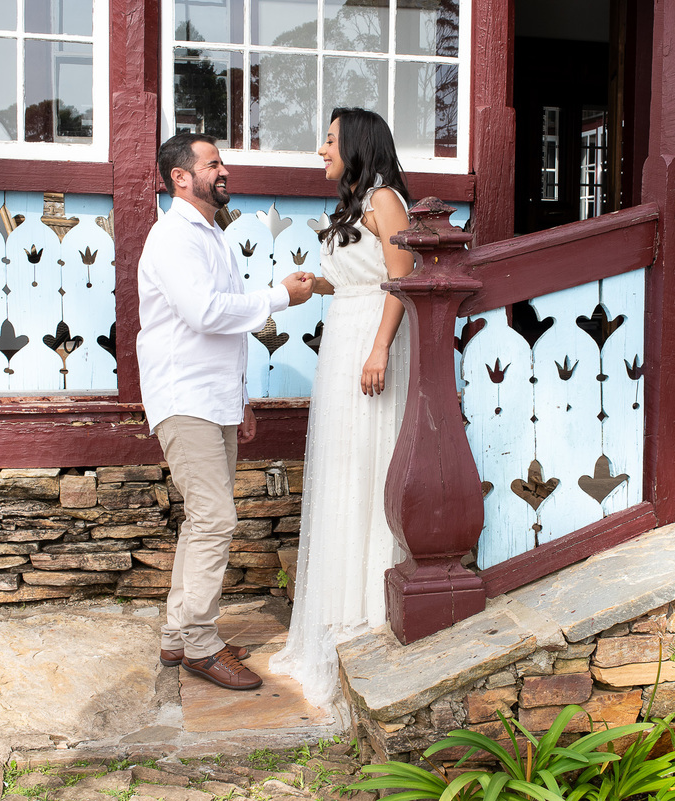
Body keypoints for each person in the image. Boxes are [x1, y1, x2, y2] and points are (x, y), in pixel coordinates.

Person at [137, 132, 314, 691]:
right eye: (213, 163)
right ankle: (200, 645)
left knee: (201, 521)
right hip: (183, 397)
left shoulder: (211, 235)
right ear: (180, 177)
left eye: (222, 162)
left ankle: (177, 635)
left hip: (213, 399)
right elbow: (206, 313)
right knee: (215, 520)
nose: (224, 170)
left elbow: (223, 334)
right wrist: (280, 295)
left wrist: (239, 400)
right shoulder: (171, 238)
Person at [268, 108, 414, 709]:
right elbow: (359, 275)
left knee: (369, 463)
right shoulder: (351, 208)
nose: (320, 150)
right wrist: (321, 284)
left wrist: (379, 348)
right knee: (341, 470)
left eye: (328, 140)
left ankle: (370, 608)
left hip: (372, 345)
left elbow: (401, 281)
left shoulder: (386, 201)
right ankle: (335, 610)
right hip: (342, 338)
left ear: (355, 145)